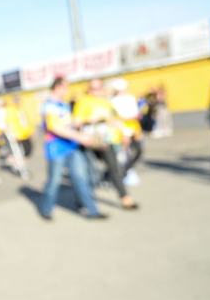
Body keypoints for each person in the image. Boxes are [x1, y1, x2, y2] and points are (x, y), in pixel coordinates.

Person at [38, 77, 108, 220]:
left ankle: (92, 210)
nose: (67, 90)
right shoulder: (49, 105)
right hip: (57, 149)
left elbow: (70, 125)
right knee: (54, 182)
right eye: (66, 87)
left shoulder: (63, 105)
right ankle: (46, 209)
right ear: (58, 87)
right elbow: (55, 127)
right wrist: (80, 137)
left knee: (81, 178)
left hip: (72, 147)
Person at [73, 79, 137, 210]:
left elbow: (115, 120)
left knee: (114, 169)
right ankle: (82, 199)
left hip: (105, 140)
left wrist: (124, 133)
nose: (96, 91)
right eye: (93, 88)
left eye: (98, 88)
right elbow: (76, 122)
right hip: (89, 141)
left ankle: (125, 197)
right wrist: (89, 120)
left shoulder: (106, 103)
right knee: (89, 173)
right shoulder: (83, 102)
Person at [111, 79, 144, 186]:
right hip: (122, 128)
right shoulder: (113, 101)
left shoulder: (130, 98)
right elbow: (117, 118)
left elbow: (135, 113)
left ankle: (127, 170)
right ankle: (124, 173)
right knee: (124, 153)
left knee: (138, 150)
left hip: (134, 127)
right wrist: (123, 131)